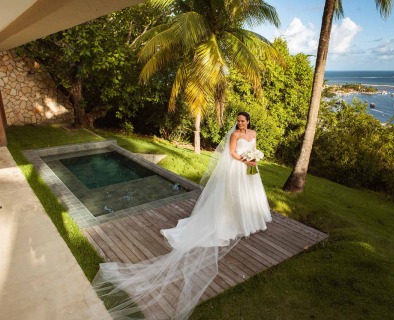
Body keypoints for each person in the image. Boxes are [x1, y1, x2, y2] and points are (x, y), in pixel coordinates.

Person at [91, 112, 271, 320]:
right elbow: (231, 153)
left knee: (250, 197)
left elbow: (255, 149)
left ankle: (251, 220)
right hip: (239, 169)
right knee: (232, 200)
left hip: (250, 170)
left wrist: (254, 159)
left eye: (243, 121)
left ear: (248, 121)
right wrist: (245, 160)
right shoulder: (234, 136)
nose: (240, 123)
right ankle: (237, 222)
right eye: (238, 121)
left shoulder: (253, 133)